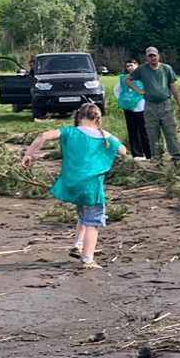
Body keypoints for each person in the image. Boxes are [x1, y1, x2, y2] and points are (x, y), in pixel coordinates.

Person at [20, 102, 129, 269]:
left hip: (72, 184)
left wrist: (28, 155)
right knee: (93, 222)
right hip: (91, 187)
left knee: (83, 214)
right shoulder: (104, 136)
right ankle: (88, 259)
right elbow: (123, 151)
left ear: (79, 117)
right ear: (98, 118)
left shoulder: (69, 132)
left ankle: (77, 244)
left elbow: (43, 136)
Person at [130, 45, 180, 166]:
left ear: (158, 56)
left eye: (154, 55)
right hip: (150, 106)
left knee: (170, 131)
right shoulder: (142, 69)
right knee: (153, 133)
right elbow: (128, 79)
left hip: (165, 104)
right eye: (150, 56)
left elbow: (174, 87)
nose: (153, 58)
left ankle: (176, 158)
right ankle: (157, 159)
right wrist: (139, 91)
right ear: (146, 58)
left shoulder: (166, 69)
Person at [115, 56, 151, 160]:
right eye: (127, 66)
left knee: (144, 131)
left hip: (142, 107)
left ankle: (148, 153)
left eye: (131, 65)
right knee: (132, 131)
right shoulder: (123, 78)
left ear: (137, 65)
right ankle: (137, 154)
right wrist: (123, 100)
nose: (130, 68)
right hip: (129, 108)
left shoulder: (144, 77)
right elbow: (117, 90)